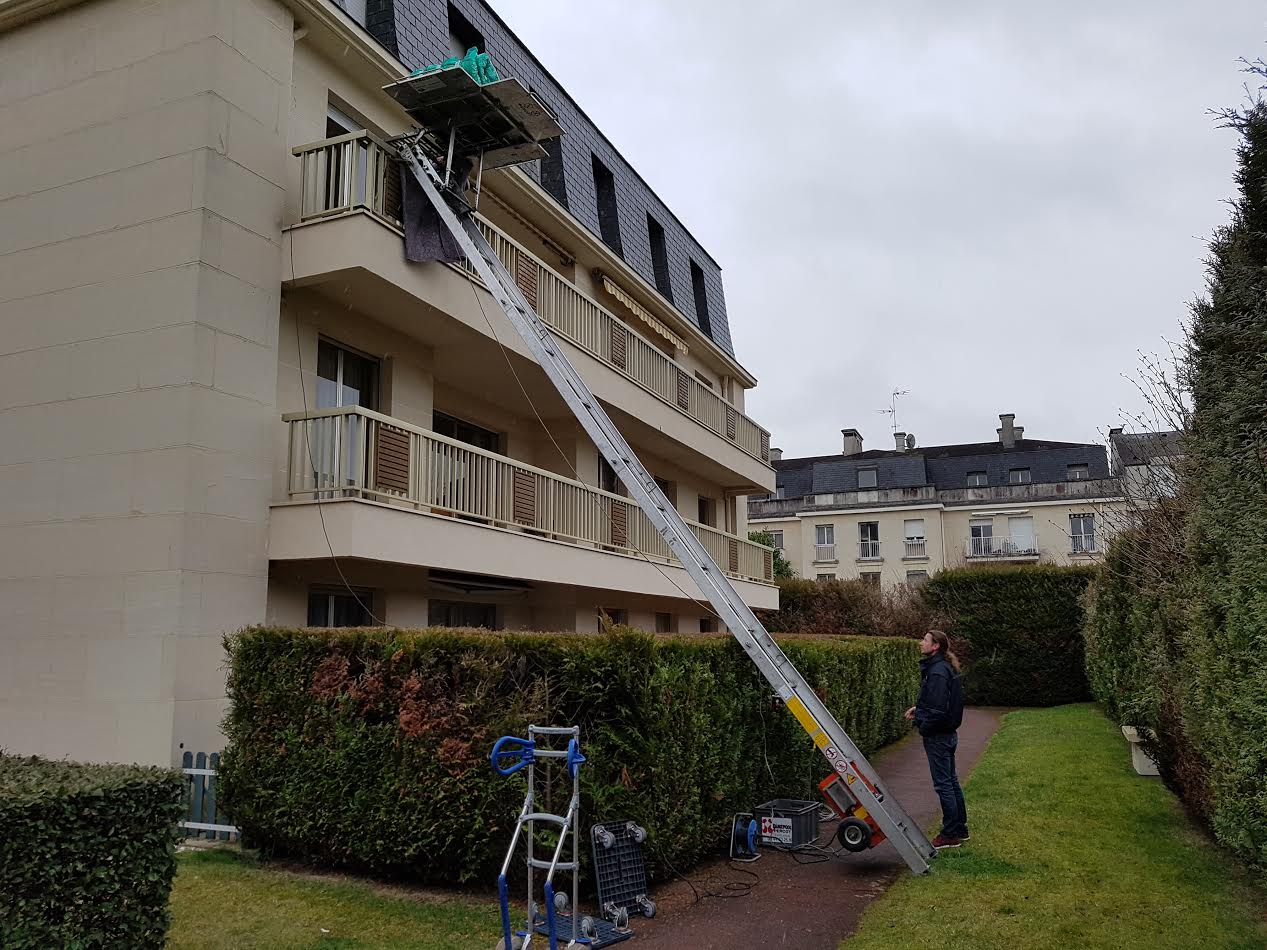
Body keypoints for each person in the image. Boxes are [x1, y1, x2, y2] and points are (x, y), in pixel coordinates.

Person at [905, 629, 968, 848]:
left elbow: (938, 710)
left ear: (935, 646)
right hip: (947, 733)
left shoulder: (938, 672)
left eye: (925, 640)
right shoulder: (942, 669)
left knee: (944, 785)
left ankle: (951, 833)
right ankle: (960, 828)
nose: (921, 642)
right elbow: (935, 704)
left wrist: (924, 726)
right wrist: (919, 710)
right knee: (951, 782)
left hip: (939, 735)